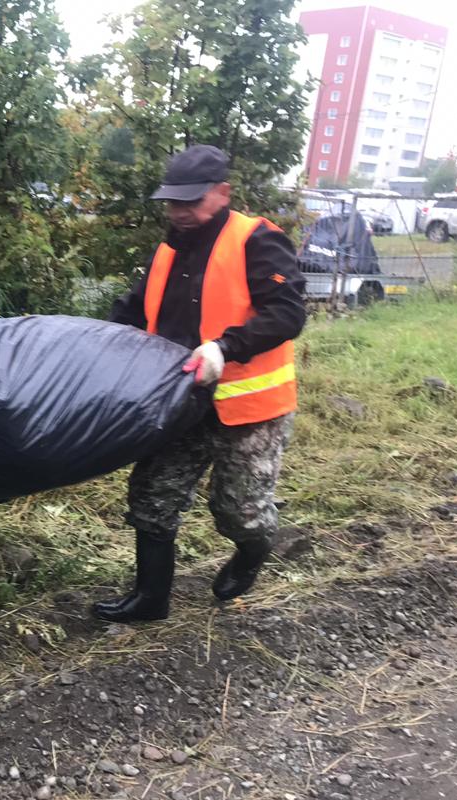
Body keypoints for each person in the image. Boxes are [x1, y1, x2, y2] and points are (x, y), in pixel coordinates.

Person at [94, 144, 306, 623]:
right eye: (172, 202)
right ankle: (151, 599)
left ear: (223, 193)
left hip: (247, 409)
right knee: (151, 499)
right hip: (179, 402)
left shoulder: (257, 240)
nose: (179, 212)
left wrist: (224, 348)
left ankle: (253, 550)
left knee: (238, 513)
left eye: (190, 202)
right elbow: (135, 308)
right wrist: (96, 339)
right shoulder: (168, 249)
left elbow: (287, 313)